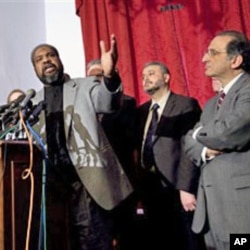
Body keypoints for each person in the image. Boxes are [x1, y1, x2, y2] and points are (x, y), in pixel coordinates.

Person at [30, 34, 133, 250]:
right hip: (50, 187)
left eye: (51, 55)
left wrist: (109, 74)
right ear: (35, 69)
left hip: (86, 183)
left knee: (93, 242)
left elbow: (108, 102)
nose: (46, 60)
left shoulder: (85, 86)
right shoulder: (33, 102)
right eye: (39, 59)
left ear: (59, 60)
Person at [184, 30, 250, 249]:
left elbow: (228, 132)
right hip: (212, 214)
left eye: (213, 53)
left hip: (242, 214)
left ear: (236, 60)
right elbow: (188, 143)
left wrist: (197, 134)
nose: (204, 58)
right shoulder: (212, 104)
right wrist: (204, 149)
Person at [135, 61, 205, 250]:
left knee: (186, 240)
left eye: (151, 74)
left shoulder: (185, 105)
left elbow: (189, 148)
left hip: (177, 187)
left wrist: (186, 187)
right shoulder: (141, 111)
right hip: (150, 187)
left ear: (166, 78)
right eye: (143, 76)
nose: (145, 79)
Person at [86, 58, 138, 250]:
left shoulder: (126, 103)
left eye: (100, 76)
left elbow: (131, 139)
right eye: (92, 77)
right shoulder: (82, 107)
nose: (96, 81)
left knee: (126, 234)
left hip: (121, 179)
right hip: (92, 184)